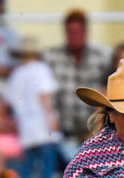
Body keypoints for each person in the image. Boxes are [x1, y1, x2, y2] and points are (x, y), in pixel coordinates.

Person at [7, 36, 62, 178]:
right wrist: (52, 118)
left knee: (28, 167)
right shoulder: (41, 69)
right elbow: (44, 95)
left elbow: (12, 102)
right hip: (43, 126)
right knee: (46, 165)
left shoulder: (16, 74)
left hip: (26, 129)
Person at [44, 9, 110, 141]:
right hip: (62, 130)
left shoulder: (103, 56)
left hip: (93, 129)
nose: (73, 36)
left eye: (77, 32)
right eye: (70, 32)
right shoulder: (51, 57)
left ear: (86, 32)